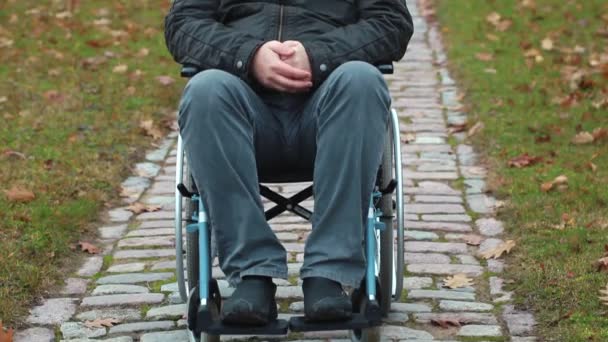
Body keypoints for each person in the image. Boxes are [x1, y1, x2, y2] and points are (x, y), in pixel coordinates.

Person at [164, 0, 413, 326]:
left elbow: (390, 22)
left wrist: (317, 56)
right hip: (241, 109)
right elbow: (183, 23)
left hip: (333, 106)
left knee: (362, 80)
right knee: (204, 90)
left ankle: (329, 270)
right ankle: (252, 271)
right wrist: (249, 56)